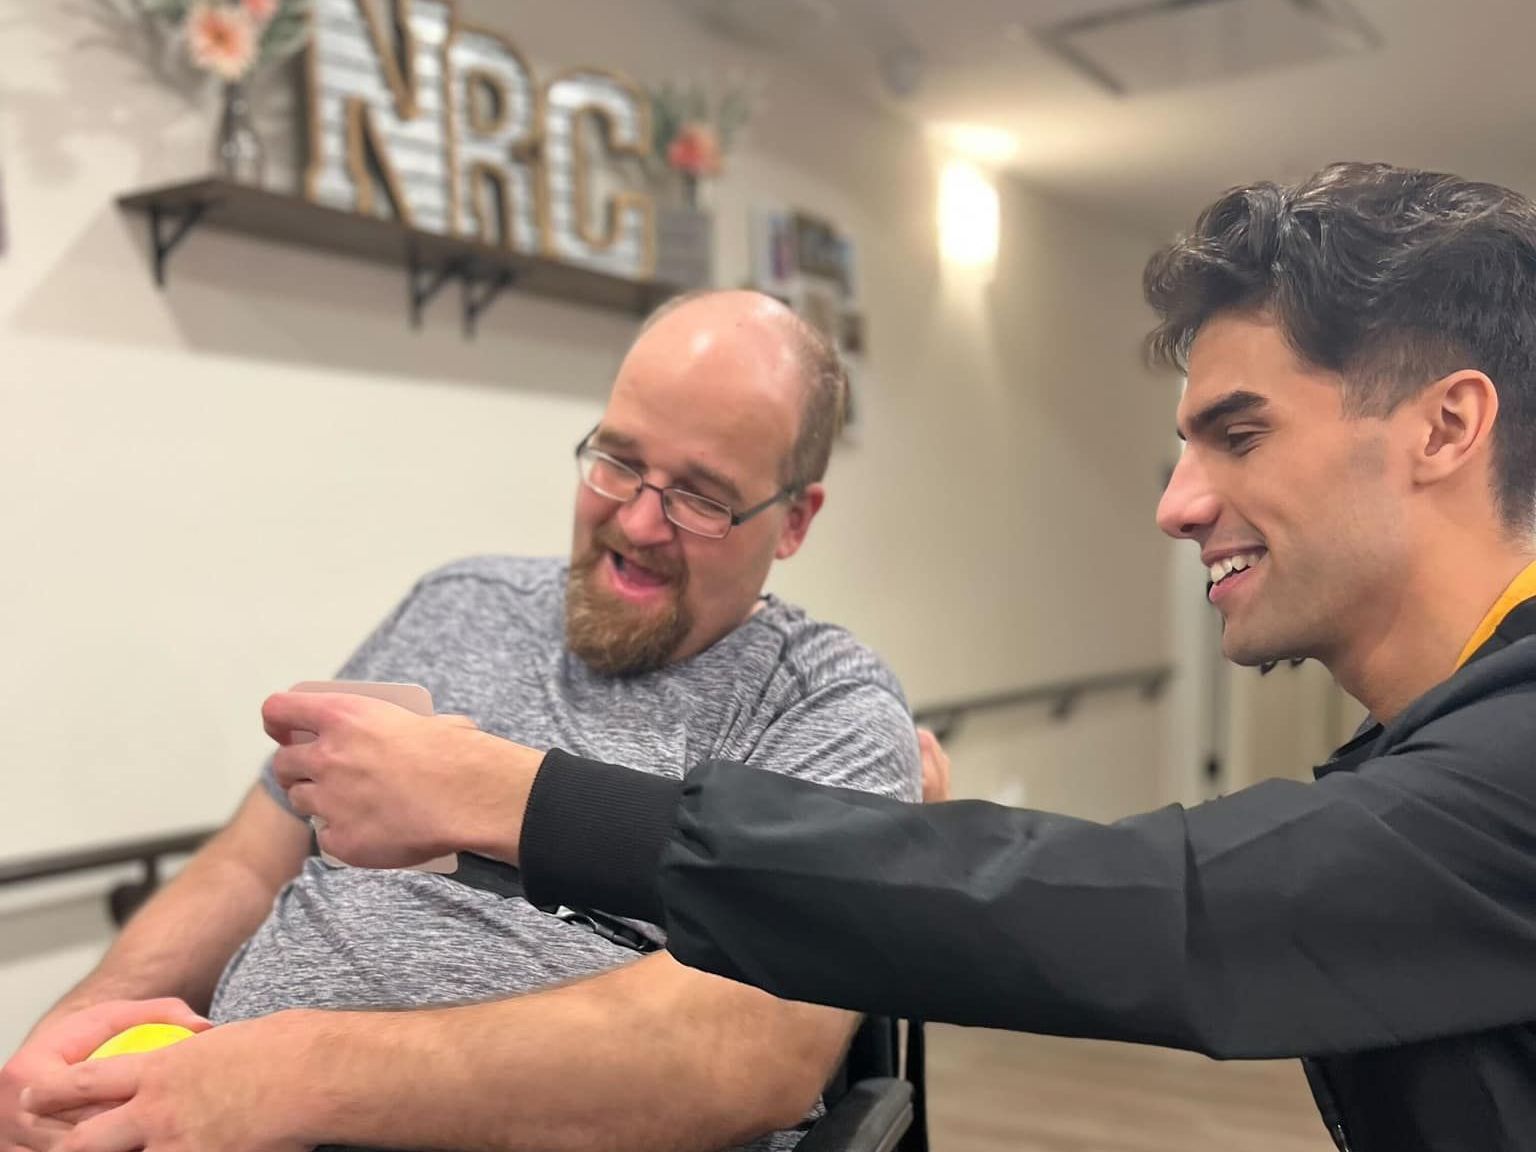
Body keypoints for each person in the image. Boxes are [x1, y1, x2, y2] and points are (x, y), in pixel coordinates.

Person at [199, 161, 1536, 1152]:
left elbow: (1151, 909)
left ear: (1445, 427)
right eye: (619, 458)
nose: (1176, 502)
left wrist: (505, 795)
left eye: (1237, 437)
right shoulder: (1435, 746)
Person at [2, 290, 926, 1152]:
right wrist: (67, 1054)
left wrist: (290, 1074)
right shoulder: (458, 603)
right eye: (618, 461)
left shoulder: (829, 708)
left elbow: (744, 1050)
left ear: (795, 521)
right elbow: (253, 858)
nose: (639, 523)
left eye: (701, 496)